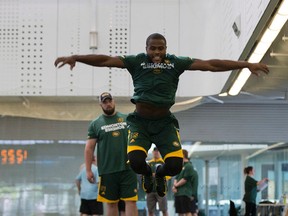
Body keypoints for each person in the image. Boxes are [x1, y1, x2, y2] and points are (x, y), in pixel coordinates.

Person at [55, 33, 269, 198]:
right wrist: (77, 57)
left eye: (161, 48)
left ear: (166, 48)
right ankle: (148, 173)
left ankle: (159, 174)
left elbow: (210, 65)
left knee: (175, 167)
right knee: (136, 161)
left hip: (165, 124)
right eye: (153, 49)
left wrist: (246, 64)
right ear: (146, 48)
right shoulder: (136, 61)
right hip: (140, 122)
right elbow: (105, 60)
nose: (157, 52)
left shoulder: (175, 62)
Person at [83, 92, 138, 216]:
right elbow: (89, 148)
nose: (108, 104)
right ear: (100, 105)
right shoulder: (95, 124)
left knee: (131, 201)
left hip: (128, 168)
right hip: (107, 170)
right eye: (105, 102)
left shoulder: (126, 119)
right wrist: (88, 170)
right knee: (111, 203)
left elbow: (138, 139)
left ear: (114, 101)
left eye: (110, 101)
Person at [172, 149, 198, 216]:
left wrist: (176, 185)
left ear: (183, 155)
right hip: (178, 193)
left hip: (185, 193)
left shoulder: (189, 166)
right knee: (180, 212)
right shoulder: (181, 166)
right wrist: (174, 186)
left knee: (187, 211)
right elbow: (176, 177)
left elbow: (185, 179)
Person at [145, 147, 169, 216]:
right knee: (150, 210)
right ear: (153, 152)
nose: (156, 152)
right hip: (150, 190)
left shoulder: (163, 163)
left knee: (164, 210)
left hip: (161, 190)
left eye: (158, 151)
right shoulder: (149, 163)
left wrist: (156, 175)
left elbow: (168, 175)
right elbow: (145, 175)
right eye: (155, 151)